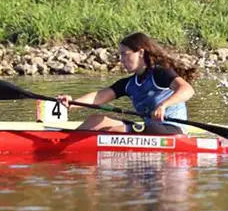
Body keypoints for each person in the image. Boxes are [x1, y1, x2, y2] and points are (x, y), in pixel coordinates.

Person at [56, 32, 196, 134]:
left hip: (172, 130)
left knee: (113, 131)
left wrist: (163, 105)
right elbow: (98, 97)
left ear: (140, 53)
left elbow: (187, 90)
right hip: (150, 129)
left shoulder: (160, 73)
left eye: (124, 54)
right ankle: (64, 142)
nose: (121, 60)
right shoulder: (129, 84)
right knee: (96, 120)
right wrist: (71, 103)